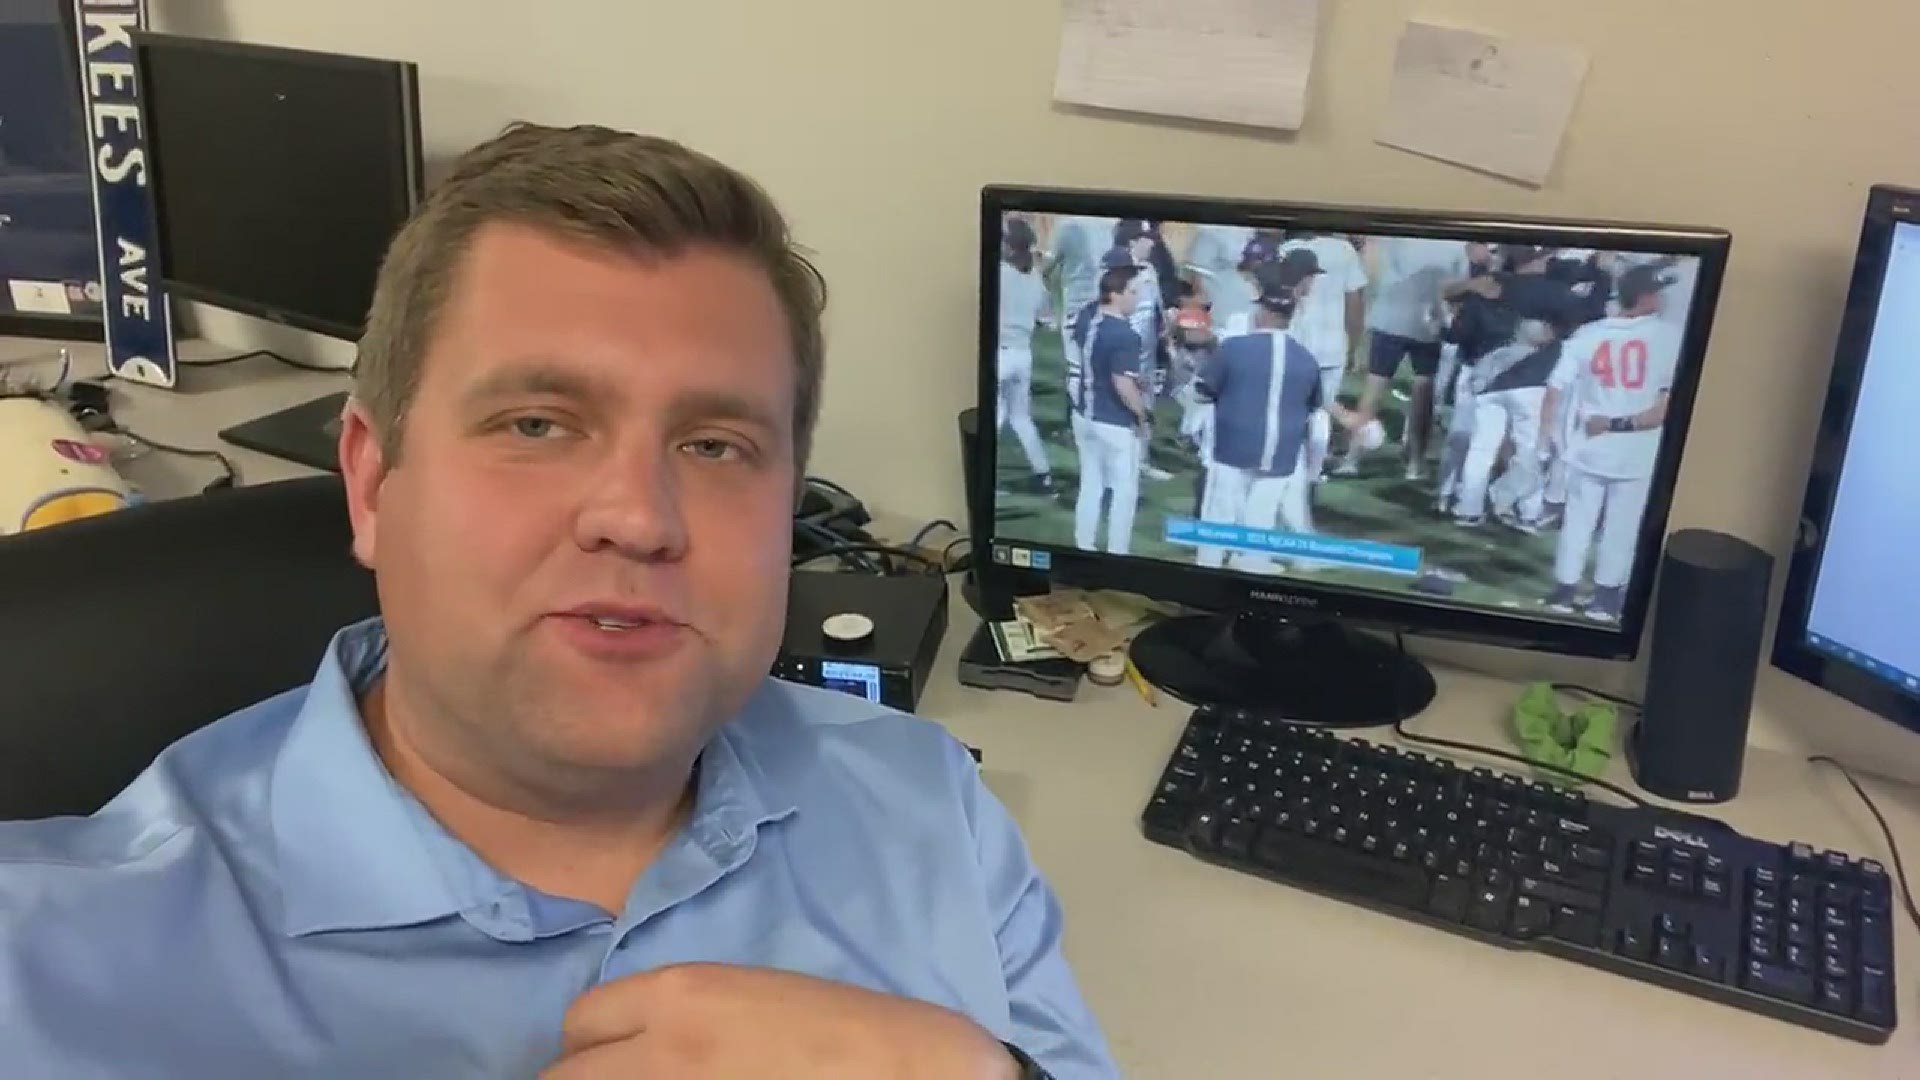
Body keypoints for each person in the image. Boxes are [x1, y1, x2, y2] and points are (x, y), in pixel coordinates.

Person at [0, 123, 1115, 1079]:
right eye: (537, 424)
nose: (639, 516)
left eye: (717, 444)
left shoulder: (931, 810)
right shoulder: (42, 968)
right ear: (373, 482)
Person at [1193, 262, 1363, 572]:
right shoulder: (1305, 359)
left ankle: (1209, 568)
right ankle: (1253, 565)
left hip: (1234, 448)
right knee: (1261, 519)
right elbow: (1314, 406)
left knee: (1219, 515)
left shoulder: (1234, 348)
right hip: (1281, 454)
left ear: (1264, 313)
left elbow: (1202, 391)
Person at [1542, 265, 1681, 621]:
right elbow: (1664, 408)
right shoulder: (1668, 337)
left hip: (1589, 444)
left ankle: (1563, 591)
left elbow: (1555, 390)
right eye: (1658, 291)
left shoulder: (1588, 334)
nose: (1662, 297)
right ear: (1647, 296)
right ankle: (1604, 600)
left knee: (1578, 520)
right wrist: (1620, 422)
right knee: (1621, 526)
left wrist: (1549, 437)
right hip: (1637, 448)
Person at [1344, 238, 1471, 479]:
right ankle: (1415, 462)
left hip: (1389, 319)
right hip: (1427, 324)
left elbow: (1371, 266)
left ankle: (1352, 458)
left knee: (1374, 389)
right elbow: (1458, 288)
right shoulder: (1455, 245)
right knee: (1423, 392)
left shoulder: (1397, 238)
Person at [1073, 263, 1150, 555]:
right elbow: (1122, 384)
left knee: (1091, 484)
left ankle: (1084, 544)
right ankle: (1118, 551)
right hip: (1114, 422)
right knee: (1124, 490)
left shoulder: (1088, 319)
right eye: (1132, 292)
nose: (1137, 298)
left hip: (1084, 413)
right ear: (1116, 294)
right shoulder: (1125, 335)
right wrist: (1142, 415)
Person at [997, 216, 1057, 494]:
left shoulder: (998, 273)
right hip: (1023, 354)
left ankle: (984, 478)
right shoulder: (1034, 278)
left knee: (994, 417)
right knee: (1021, 418)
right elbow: (1047, 317)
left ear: (1010, 246)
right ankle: (1043, 473)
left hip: (1000, 355)